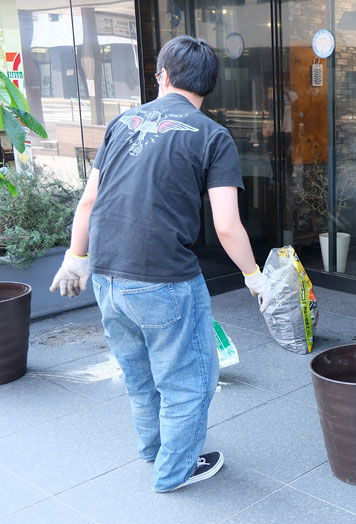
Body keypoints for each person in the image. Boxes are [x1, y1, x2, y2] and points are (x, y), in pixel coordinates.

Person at [49, 36, 270, 492]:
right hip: (165, 280)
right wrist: (255, 277)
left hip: (106, 276)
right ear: (209, 85)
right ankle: (175, 471)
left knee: (140, 373)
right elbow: (227, 225)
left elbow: (89, 201)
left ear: (162, 76)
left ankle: (154, 449)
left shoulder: (122, 122)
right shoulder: (212, 135)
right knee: (190, 380)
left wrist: (75, 258)